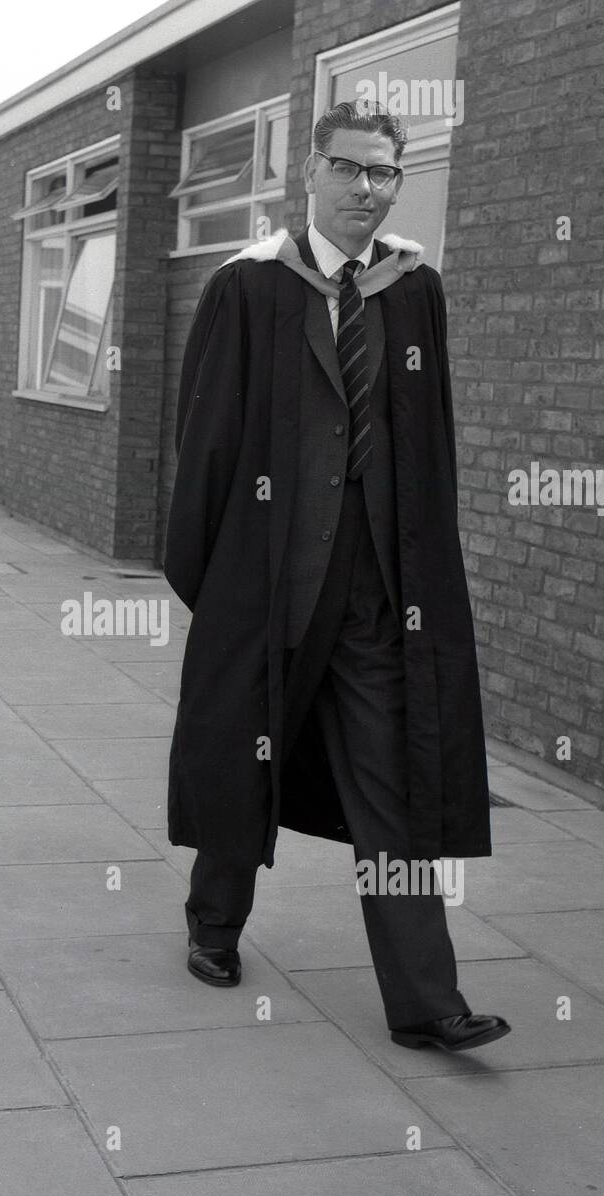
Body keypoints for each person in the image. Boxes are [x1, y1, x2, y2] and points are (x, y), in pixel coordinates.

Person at [164, 101, 509, 1054]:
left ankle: (426, 1001)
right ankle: (215, 924)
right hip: (268, 576)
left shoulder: (413, 288)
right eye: (350, 169)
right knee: (245, 752)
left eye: (385, 173)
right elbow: (206, 447)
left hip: (375, 593)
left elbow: (429, 443)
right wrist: (217, 581)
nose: (367, 188)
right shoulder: (250, 287)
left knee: (392, 781)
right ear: (309, 173)